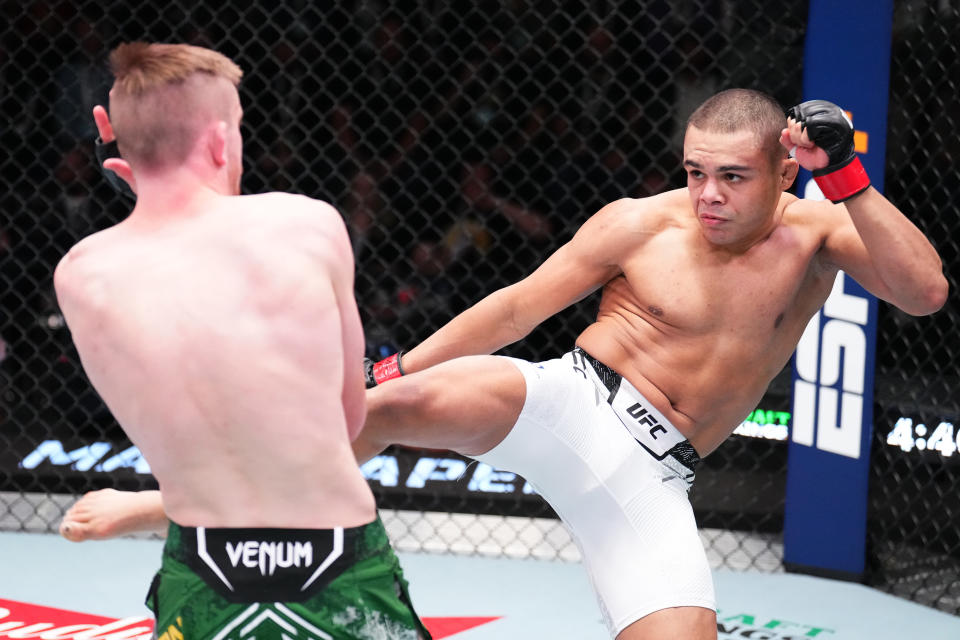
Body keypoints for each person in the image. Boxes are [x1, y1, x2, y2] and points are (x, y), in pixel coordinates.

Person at [65, 89, 948, 639]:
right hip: (572, 399)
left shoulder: (823, 229)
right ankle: (160, 504)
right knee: (379, 412)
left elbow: (924, 293)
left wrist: (850, 180)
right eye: (693, 173)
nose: (707, 196)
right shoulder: (640, 223)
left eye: (732, 178)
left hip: (652, 477)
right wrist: (394, 368)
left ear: (785, 169)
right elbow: (520, 306)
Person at [54, 42, 429, 640]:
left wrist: (149, 191)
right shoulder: (307, 226)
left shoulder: (80, 274)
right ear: (221, 140)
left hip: (201, 568)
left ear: (114, 140)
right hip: (338, 564)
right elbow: (348, 418)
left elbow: (174, 268)